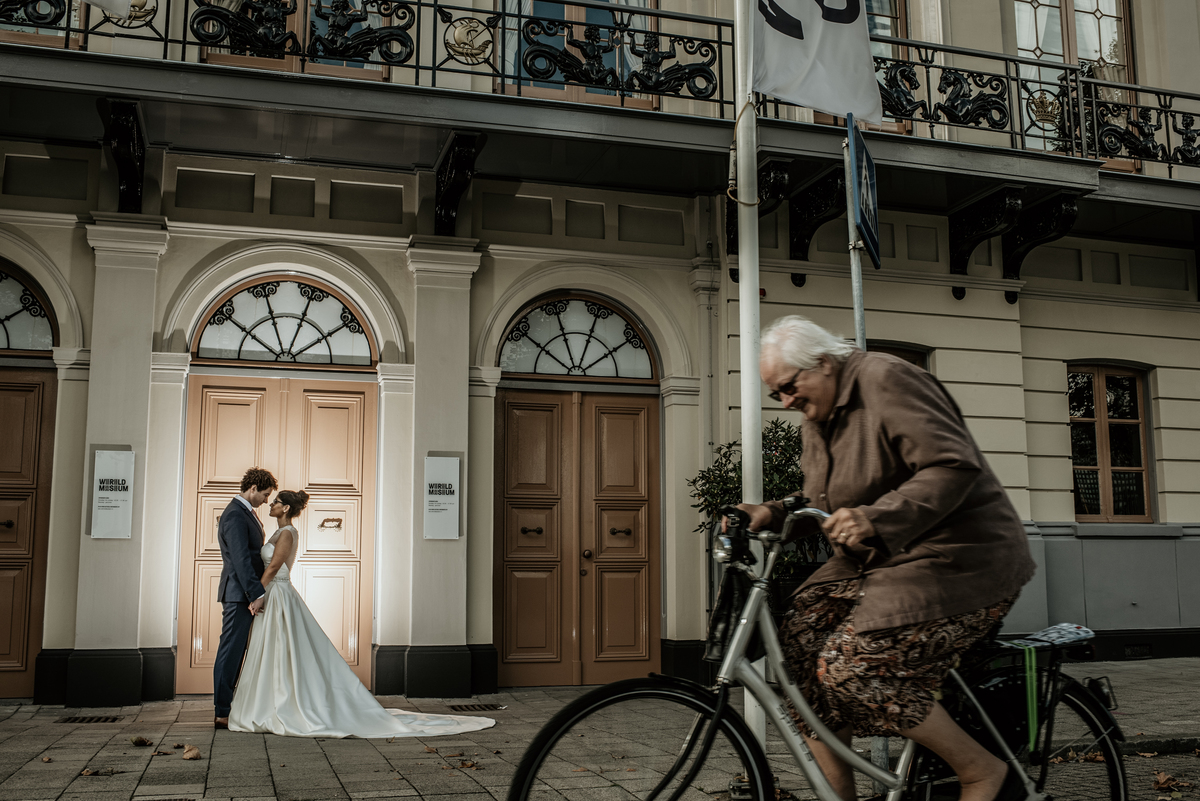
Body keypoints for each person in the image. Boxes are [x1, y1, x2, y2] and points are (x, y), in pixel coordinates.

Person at [734, 316, 1037, 801]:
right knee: (800, 640)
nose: (786, 402)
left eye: (789, 387)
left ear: (826, 364)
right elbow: (824, 498)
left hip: (961, 556)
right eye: (777, 395)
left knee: (852, 667)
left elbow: (952, 465)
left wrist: (877, 519)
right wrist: (771, 512)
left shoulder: (888, 378)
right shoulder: (820, 412)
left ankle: (982, 772)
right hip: (885, 563)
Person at [228, 489, 495, 738]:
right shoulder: (276, 532)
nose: (270, 504)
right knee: (276, 649)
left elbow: (274, 567)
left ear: (285, 507)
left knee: (283, 648)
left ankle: (287, 704)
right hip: (273, 594)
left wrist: (257, 595)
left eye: (275, 502)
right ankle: (273, 701)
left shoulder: (287, 533)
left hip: (278, 595)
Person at [214, 467, 278, 730]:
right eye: (264, 495)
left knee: (238, 650)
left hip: (242, 593)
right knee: (230, 651)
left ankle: (231, 707)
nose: (266, 501)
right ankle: (222, 712)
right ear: (252, 488)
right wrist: (256, 594)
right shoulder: (235, 515)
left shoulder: (244, 513)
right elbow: (241, 560)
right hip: (239, 594)